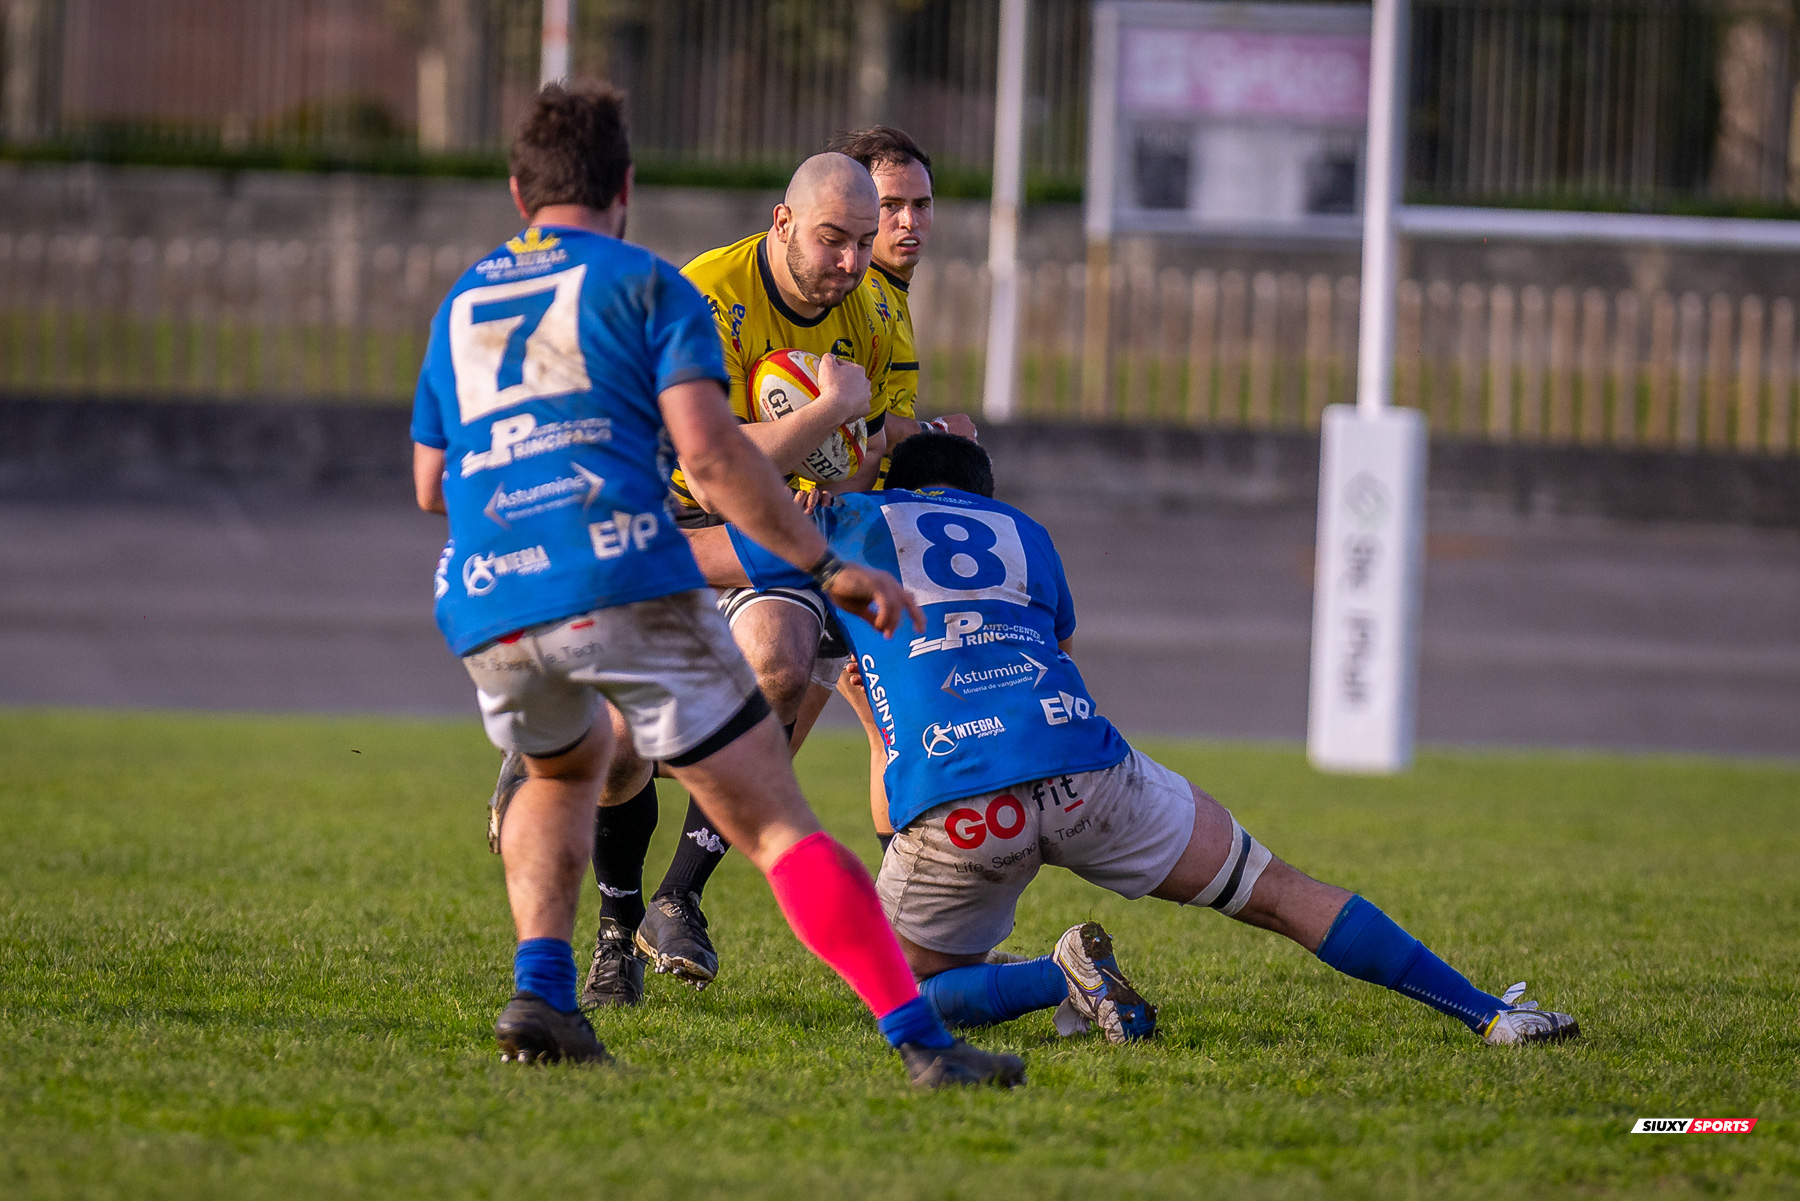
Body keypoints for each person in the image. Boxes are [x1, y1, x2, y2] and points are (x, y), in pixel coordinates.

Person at [411, 83, 1023, 1088]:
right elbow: (716, 461)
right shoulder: (658, 287)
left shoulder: (467, 296)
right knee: (778, 820)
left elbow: (433, 483)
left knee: (572, 767)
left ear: (519, 188)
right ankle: (925, 1046)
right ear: (627, 187)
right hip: (620, 567)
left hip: (484, 594)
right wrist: (828, 565)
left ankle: (540, 993)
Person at [684, 433, 1582, 1049]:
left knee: (901, 991)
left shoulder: (851, 521)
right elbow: (1053, 644)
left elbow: (697, 558)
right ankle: (1488, 1014)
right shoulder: (1028, 536)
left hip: (965, 804)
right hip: (1086, 768)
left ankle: (1054, 977)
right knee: (1281, 891)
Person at [564, 150, 911, 1004]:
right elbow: (710, 459)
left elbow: (869, 451)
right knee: (620, 746)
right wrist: (830, 412)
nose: (852, 263)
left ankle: (678, 898)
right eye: (833, 239)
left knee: (783, 663)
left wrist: (891, 444)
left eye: (865, 243)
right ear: (782, 221)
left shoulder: (874, 310)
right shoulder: (705, 296)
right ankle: (615, 923)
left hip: (770, 534)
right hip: (666, 519)